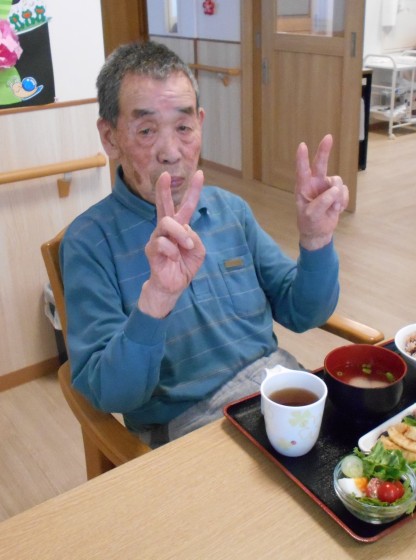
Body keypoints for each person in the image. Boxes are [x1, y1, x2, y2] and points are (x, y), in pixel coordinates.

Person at [60, 41, 349, 447]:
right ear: (110, 137)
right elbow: (111, 393)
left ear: (200, 123)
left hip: (279, 389)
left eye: (183, 128)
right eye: (146, 130)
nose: (170, 152)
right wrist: (157, 299)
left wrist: (316, 240)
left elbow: (304, 312)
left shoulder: (231, 210)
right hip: (190, 426)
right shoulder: (89, 242)